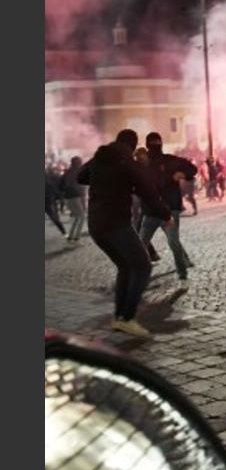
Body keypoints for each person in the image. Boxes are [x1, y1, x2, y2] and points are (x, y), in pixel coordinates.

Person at [78, 129, 173, 337]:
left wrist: (103, 178)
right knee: (143, 266)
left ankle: (119, 318)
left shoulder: (100, 158)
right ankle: (128, 317)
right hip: (116, 223)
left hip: (96, 225)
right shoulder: (128, 163)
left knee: (125, 266)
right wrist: (166, 214)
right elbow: (147, 192)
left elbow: (80, 176)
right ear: (133, 144)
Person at [138, 132, 198, 288]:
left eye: (157, 141)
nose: (155, 144)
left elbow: (192, 168)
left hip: (169, 211)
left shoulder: (171, 160)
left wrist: (183, 174)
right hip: (151, 211)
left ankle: (183, 274)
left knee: (173, 243)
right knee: (141, 245)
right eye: (153, 142)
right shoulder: (143, 164)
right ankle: (140, 276)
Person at [60, 156, 87, 242]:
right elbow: (79, 186)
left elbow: (61, 183)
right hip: (75, 197)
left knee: (77, 217)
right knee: (81, 217)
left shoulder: (67, 171)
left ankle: (71, 236)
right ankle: (76, 237)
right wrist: (83, 198)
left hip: (68, 197)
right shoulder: (78, 171)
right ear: (78, 163)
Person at [44, 167, 67, 235]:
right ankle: (63, 232)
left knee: (54, 216)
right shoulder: (49, 177)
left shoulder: (48, 177)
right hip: (49, 199)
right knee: (54, 216)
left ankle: (63, 231)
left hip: (48, 199)